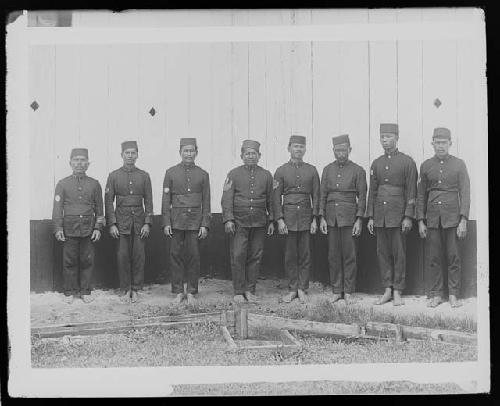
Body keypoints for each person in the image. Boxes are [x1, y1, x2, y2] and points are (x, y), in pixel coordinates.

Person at [417, 127, 470, 308]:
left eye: (444, 143)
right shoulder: (426, 166)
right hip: (432, 219)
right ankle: (437, 294)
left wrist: (463, 219)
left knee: (453, 256)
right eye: (437, 143)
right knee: (434, 257)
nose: (440, 146)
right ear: (432, 143)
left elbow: (465, 193)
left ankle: (454, 295)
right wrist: (421, 221)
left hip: (452, 218)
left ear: (450, 144)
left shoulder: (459, 164)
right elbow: (421, 195)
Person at [366, 123, 417, 306]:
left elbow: (412, 191)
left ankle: (398, 290)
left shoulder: (407, 162)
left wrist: (408, 216)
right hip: (381, 215)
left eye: (388, 136)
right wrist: (371, 216)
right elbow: (372, 191)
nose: (385, 140)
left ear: (397, 138)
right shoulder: (377, 163)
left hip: (398, 215)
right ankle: (387, 289)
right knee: (383, 253)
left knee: (399, 254)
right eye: (382, 137)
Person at [221, 139, 275, 303]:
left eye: (254, 154)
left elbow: (271, 200)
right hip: (239, 222)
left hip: (259, 222)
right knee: (238, 255)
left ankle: (250, 290)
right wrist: (228, 219)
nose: (251, 156)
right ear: (242, 156)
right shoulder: (233, 174)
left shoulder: (266, 175)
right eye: (247, 154)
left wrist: (271, 220)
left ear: (259, 156)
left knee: (255, 256)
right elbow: (226, 198)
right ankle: (238, 291)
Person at [52, 148, 105, 304]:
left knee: (87, 261)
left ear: (88, 164)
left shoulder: (94, 184)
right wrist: (58, 228)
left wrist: (98, 228)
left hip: (88, 229)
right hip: (69, 229)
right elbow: (57, 209)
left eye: (83, 160)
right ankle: (70, 292)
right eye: (76, 160)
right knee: (69, 261)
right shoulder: (62, 184)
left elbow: (100, 209)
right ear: (70, 163)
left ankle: (85, 291)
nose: (79, 163)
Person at [162, 138, 211, 305]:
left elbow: (207, 201)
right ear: (180, 152)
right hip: (176, 221)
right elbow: (166, 199)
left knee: (193, 256)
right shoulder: (171, 172)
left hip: (195, 222)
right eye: (185, 151)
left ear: (196, 152)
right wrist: (166, 222)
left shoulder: (203, 174)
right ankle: (178, 292)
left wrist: (204, 224)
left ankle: (191, 291)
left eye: (191, 151)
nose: (188, 154)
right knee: (175, 255)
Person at [319, 135, 367, 304]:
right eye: (337, 150)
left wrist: (359, 219)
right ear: (333, 151)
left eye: (344, 150)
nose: (340, 153)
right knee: (333, 255)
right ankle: (336, 290)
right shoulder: (327, 170)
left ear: (350, 150)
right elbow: (322, 195)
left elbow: (362, 197)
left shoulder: (358, 170)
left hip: (349, 217)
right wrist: (322, 218)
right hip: (331, 219)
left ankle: (348, 291)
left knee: (349, 255)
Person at [105, 141, 154, 303]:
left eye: (133, 153)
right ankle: (125, 289)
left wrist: (147, 222)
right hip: (121, 222)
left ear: (137, 154)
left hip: (139, 222)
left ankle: (137, 289)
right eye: (127, 153)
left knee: (139, 256)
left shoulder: (144, 176)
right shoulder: (113, 176)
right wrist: (112, 223)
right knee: (123, 256)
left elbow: (149, 201)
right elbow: (108, 202)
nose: (130, 156)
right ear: (121, 155)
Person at [273, 135, 320, 304]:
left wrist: (315, 219)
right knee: (290, 255)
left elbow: (316, 196)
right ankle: (293, 288)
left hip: (306, 217)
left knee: (305, 254)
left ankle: (303, 288)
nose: (298, 149)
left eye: (301, 146)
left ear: (305, 149)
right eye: (295, 146)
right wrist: (279, 219)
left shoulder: (312, 170)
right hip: (289, 217)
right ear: (289, 148)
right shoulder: (281, 171)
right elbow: (276, 198)